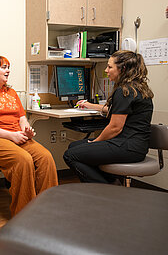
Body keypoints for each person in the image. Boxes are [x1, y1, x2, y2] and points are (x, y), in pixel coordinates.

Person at [0, 56, 58, 216]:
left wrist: (27, 131)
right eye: (3, 67)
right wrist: (11, 136)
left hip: (15, 136)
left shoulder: (12, 92)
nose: (8, 70)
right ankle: (24, 215)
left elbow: (22, 119)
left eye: (8, 67)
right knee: (23, 160)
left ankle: (47, 209)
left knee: (46, 157)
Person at [63, 50, 154, 184]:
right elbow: (116, 111)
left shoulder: (124, 91)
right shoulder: (136, 88)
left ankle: (105, 190)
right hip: (136, 145)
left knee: (70, 155)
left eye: (110, 67)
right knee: (74, 146)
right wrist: (90, 105)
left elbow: (115, 128)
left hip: (127, 146)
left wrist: (96, 141)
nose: (106, 70)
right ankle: (110, 182)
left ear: (122, 69)